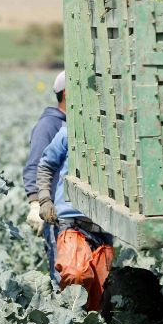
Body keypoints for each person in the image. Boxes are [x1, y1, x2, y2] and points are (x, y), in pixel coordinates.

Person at [36, 126, 114, 311]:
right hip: (71, 223)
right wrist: (45, 199)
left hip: (103, 226)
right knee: (74, 276)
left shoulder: (115, 134)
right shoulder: (67, 133)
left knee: (98, 298)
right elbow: (46, 165)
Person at [22, 71, 66, 284]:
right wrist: (35, 203)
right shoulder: (49, 125)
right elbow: (35, 166)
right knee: (62, 275)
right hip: (57, 215)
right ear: (67, 93)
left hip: (81, 215)